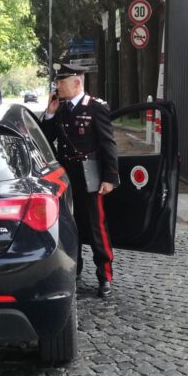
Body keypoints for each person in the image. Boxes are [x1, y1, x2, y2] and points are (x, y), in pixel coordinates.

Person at [40, 63, 119, 298]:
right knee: (69, 224)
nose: (58, 87)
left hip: (90, 173)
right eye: (57, 83)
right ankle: (75, 269)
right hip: (67, 176)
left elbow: (108, 144)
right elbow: (46, 139)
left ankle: (104, 275)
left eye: (62, 83)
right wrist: (50, 113)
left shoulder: (95, 108)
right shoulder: (61, 109)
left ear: (76, 83)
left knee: (96, 226)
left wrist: (110, 177)